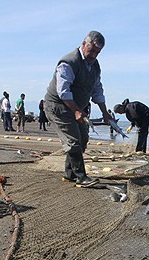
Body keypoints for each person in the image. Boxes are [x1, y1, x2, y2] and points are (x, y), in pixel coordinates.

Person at [43, 30, 112, 188]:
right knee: (73, 140)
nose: (94, 55)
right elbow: (63, 92)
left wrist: (105, 112)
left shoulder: (95, 66)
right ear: (83, 44)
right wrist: (76, 111)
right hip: (58, 106)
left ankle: (70, 173)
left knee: (83, 138)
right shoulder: (69, 62)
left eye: (98, 52)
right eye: (92, 50)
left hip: (76, 107)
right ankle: (81, 176)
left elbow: (97, 90)